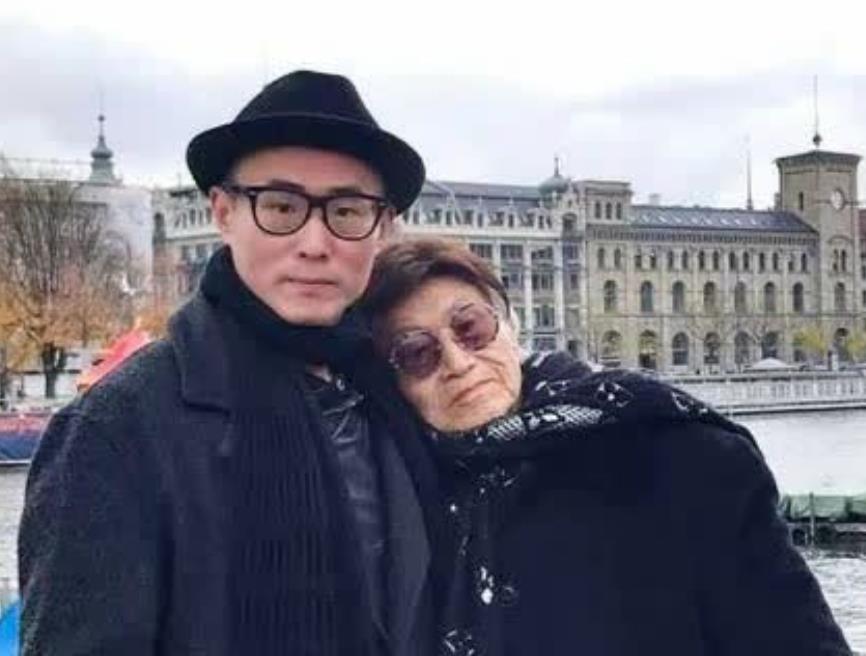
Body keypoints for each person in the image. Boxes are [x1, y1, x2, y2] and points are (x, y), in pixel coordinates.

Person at [19, 71, 440, 656]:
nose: (314, 243)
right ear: (223, 212)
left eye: (346, 211)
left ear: (383, 228)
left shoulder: (399, 396)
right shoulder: (118, 427)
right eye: (281, 206)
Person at [361, 237, 852, 656]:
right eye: (416, 353)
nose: (458, 363)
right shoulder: (392, 498)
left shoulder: (677, 454)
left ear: (509, 326)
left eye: (471, 328)